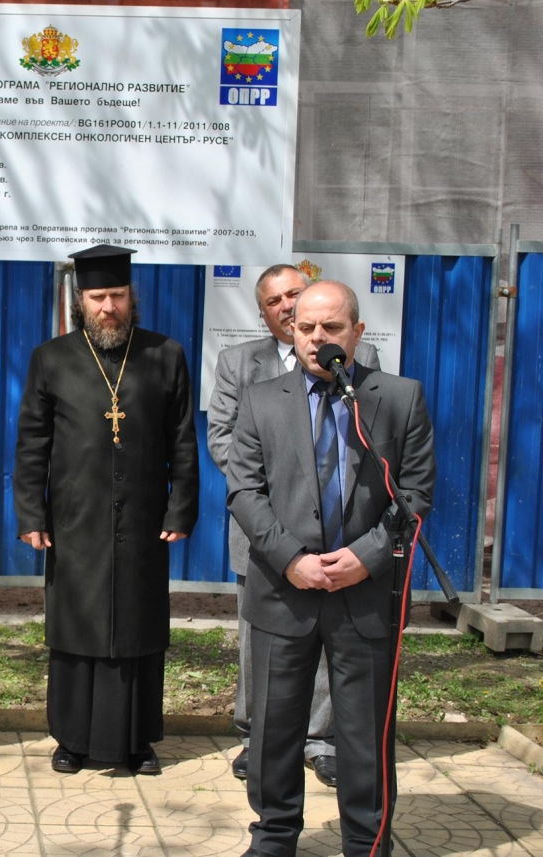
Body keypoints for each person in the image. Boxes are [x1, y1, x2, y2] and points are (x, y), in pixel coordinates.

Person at [227, 280, 435, 857]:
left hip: (365, 596)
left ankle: (366, 841)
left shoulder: (398, 398)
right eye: (306, 327)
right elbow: (244, 491)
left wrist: (367, 557)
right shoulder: (261, 399)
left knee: (364, 734)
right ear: (291, 332)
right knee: (274, 730)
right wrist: (290, 559)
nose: (318, 338)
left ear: (357, 332)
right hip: (283, 592)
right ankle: (274, 837)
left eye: (332, 327)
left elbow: (415, 493)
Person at [13, 244, 198, 776]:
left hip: (143, 518)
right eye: (97, 297)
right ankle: (71, 739)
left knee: (139, 625)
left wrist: (181, 509)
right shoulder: (52, 358)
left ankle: (137, 742)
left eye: (117, 295)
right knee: (76, 625)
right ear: (81, 301)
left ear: (131, 297)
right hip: (75, 519)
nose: (108, 307)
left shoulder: (164, 354)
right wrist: (31, 514)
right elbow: (32, 444)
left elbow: (183, 440)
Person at [206, 264, 379, 786]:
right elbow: (222, 438)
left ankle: (321, 740)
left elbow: (370, 438)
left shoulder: (363, 358)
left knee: (331, 639)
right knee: (260, 644)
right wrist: (279, 493)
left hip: (340, 538)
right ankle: (255, 737)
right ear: (263, 313)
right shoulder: (240, 362)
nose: (286, 306)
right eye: (274, 301)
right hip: (265, 534)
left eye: (294, 295)